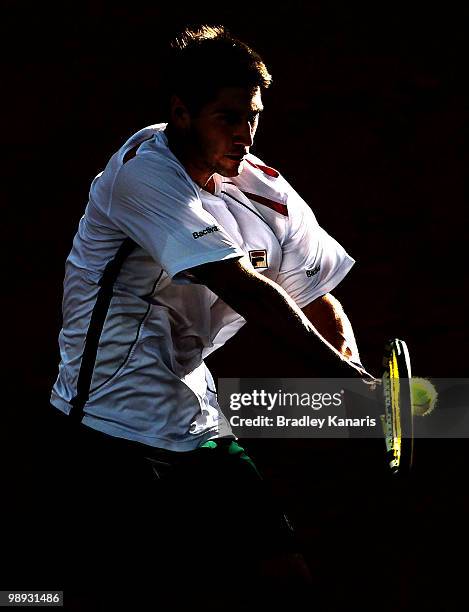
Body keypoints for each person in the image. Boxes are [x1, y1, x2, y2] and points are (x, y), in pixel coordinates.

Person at [47, 25, 371, 601]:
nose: (246, 136)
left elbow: (316, 297)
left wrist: (351, 383)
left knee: (287, 584)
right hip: (105, 428)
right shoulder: (141, 172)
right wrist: (350, 384)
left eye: (253, 116)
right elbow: (241, 287)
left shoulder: (261, 188)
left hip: (196, 421)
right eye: (228, 117)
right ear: (180, 113)